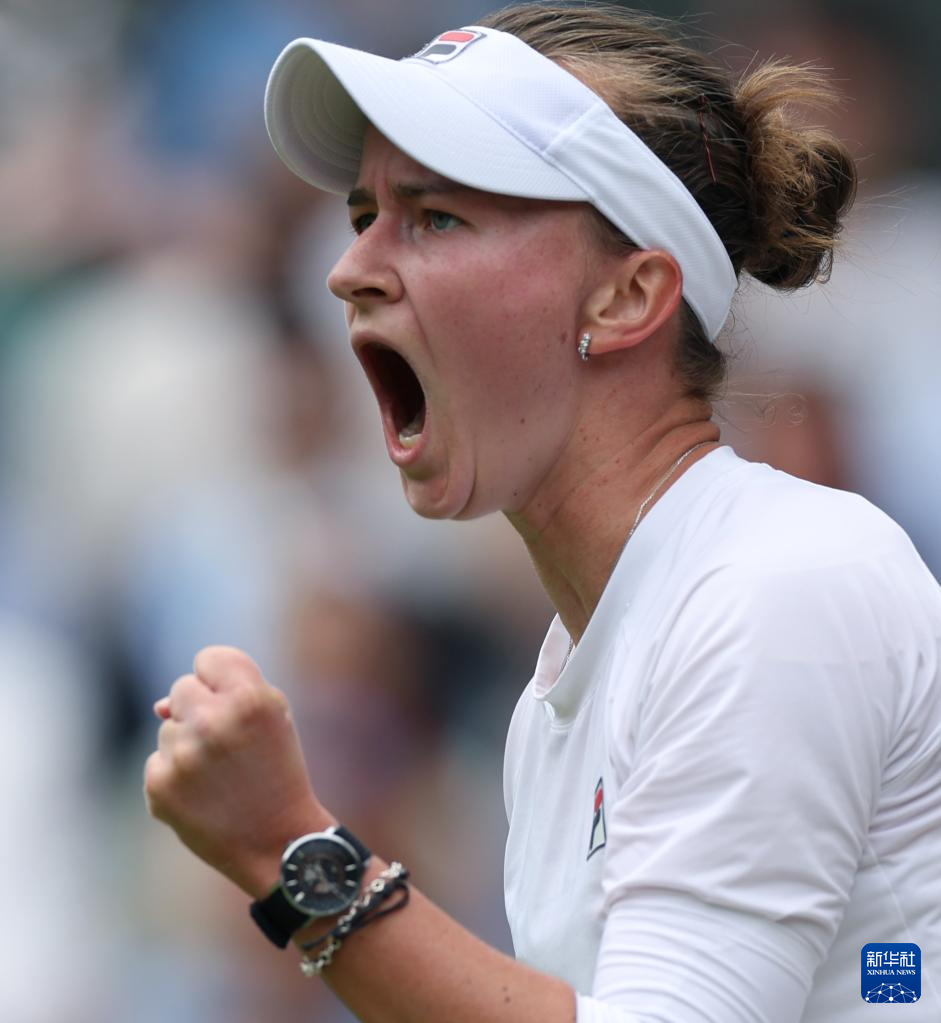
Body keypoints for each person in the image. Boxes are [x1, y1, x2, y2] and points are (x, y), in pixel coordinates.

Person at [144, 4, 941, 1020]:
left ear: (624, 298)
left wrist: (288, 850)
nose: (348, 271)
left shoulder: (776, 583)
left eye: (435, 217)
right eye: (362, 217)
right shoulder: (560, 692)